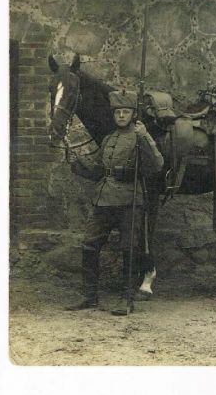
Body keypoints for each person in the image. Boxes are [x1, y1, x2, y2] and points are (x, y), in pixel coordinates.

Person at [66, 90, 164, 315]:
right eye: (118, 112)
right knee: (89, 244)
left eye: (126, 112)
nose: (121, 116)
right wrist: (76, 161)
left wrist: (145, 136)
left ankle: (126, 299)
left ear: (133, 115)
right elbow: (98, 170)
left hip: (129, 201)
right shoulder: (109, 139)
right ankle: (89, 296)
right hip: (104, 200)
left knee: (129, 249)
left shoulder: (139, 138)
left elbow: (157, 165)